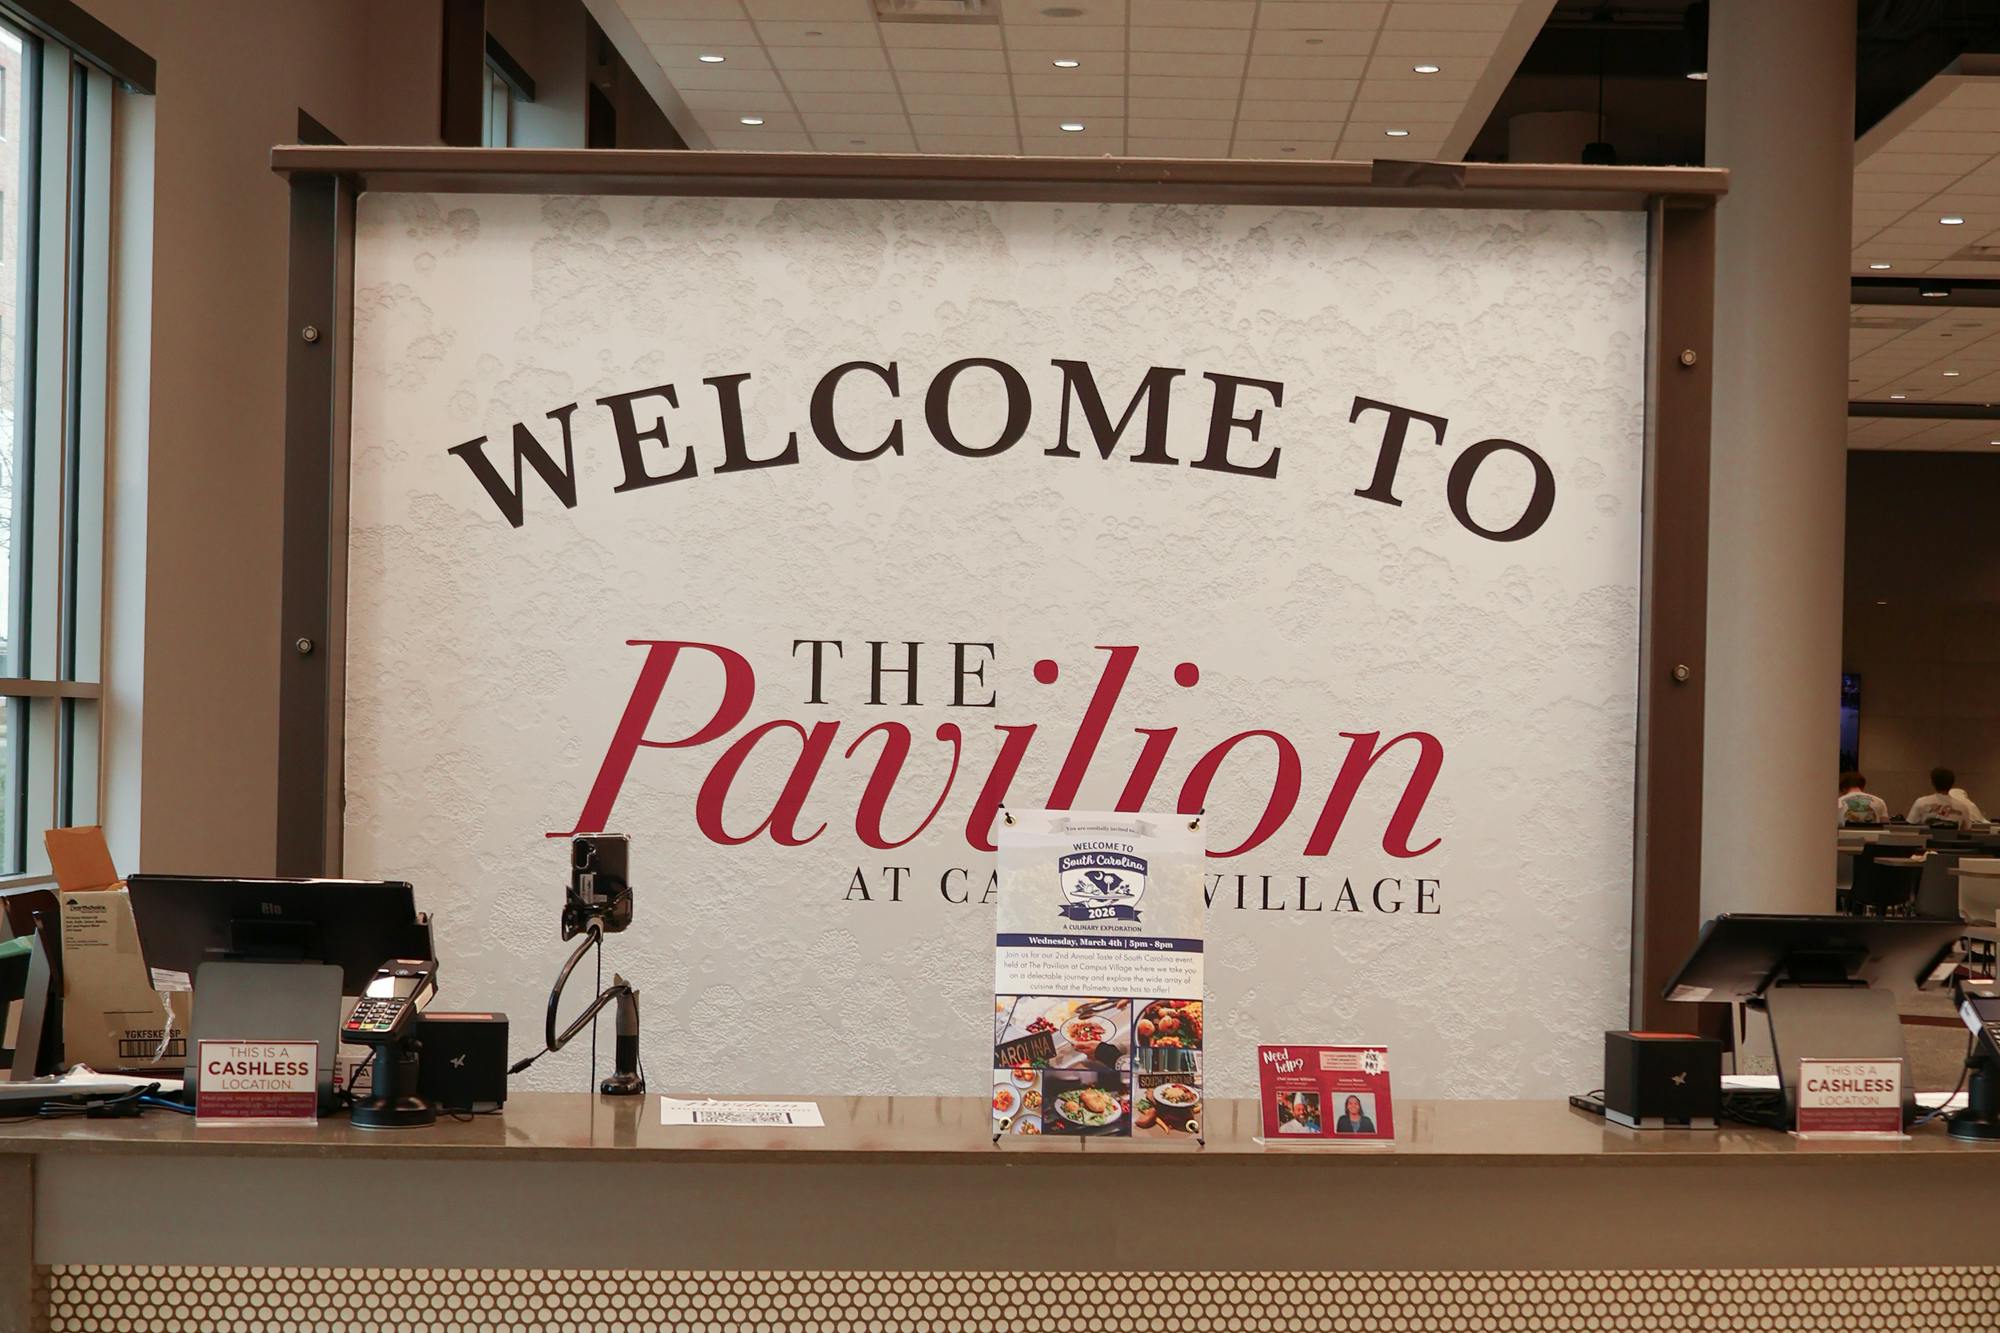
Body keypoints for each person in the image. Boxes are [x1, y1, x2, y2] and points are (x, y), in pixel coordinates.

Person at [1909, 768, 1978, 828]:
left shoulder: (1921, 802)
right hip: (1953, 843)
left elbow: (1910, 826)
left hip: (1927, 842)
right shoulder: (1963, 807)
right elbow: (1967, 829)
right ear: (1952, 784)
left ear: (1932, 783)